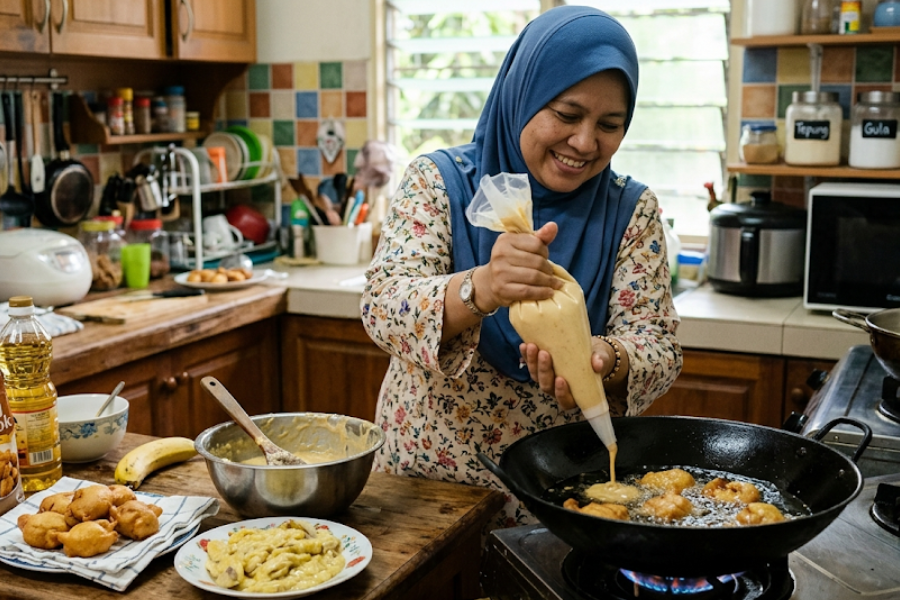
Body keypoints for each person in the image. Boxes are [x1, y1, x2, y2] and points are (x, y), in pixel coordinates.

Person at [361, 5, 683, 528]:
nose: (584, 143)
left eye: (610, 124)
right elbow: (382, 308)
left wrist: (604, 358)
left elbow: (660, 346)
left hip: (567, 496)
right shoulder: (439, 182)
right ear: (523, 95)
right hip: (430, 488)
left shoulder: (630, 210)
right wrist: (482, 286)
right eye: (566, 114)